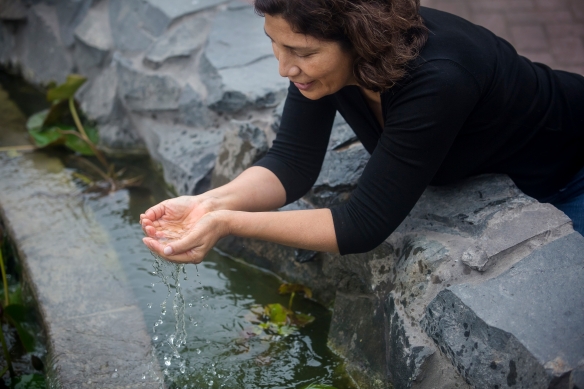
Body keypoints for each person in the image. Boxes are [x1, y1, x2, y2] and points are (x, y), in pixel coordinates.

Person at [141, 0, 584, 263]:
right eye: (274, 43)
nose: (283, 67)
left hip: (573, 168)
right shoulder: (326, 70)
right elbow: (291, 164)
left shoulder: (439, 78)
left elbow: (361, 225)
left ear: (361, 39)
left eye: (300, 52)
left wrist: (228, 223)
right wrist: (206, 203)